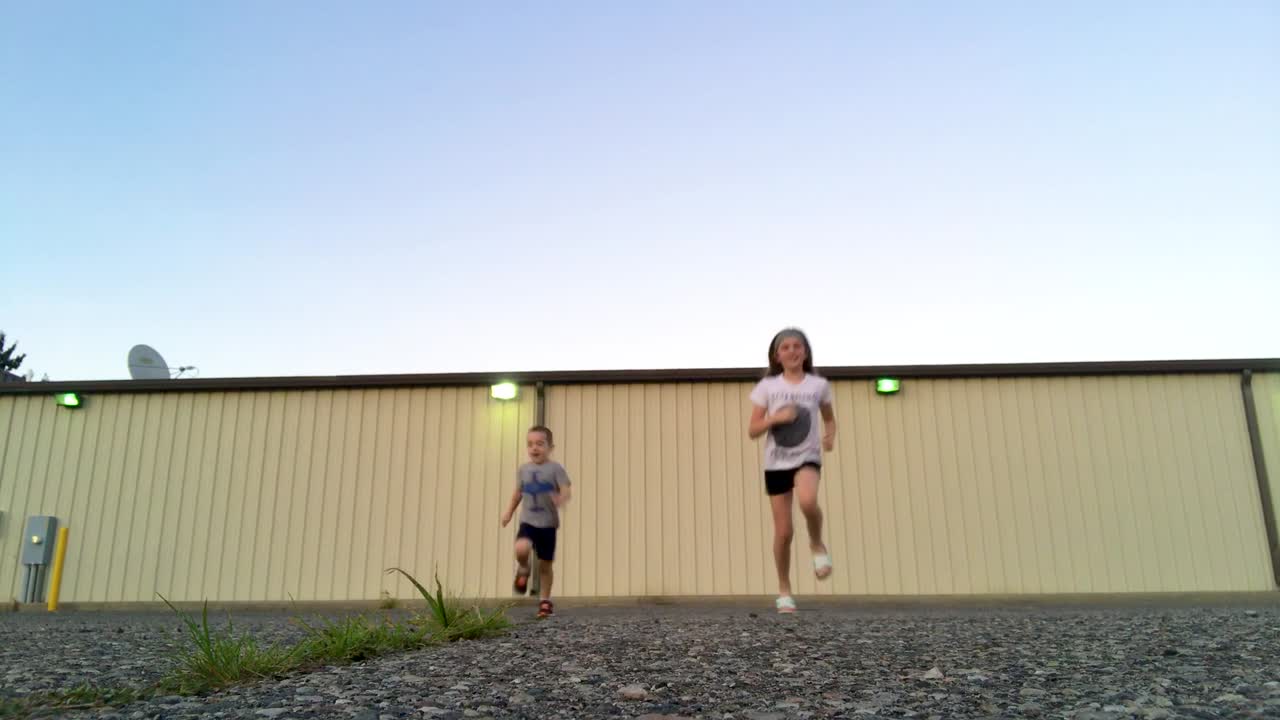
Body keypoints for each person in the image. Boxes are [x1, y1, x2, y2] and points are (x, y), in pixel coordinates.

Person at [747, 328, 837, 613]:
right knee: (783, 532)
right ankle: (784, 589)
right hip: (776, 462)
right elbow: (753, 430)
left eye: (797, 346)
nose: (792, 351)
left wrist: (830, 435)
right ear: (777, 355)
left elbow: (829, 418)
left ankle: (817, 544)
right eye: (785, 347)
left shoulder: (817, 385)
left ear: (806, 352)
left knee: (808, 500)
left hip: (807, 456)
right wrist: (777, 417)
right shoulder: (767, 388)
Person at [500, 425, 572, 617]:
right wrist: (508, 512)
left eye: (540, 444)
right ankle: (523, 568)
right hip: (528, 521)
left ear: (550, 447)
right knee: (521, 548)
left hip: (548, 524)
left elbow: (565, 488)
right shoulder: (524, 470)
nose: (534, 448)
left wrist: (561, 498)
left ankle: (545, 601)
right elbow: (517, 494)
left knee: (545, 565)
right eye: (530, 444)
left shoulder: (555, 468)